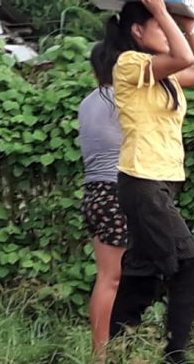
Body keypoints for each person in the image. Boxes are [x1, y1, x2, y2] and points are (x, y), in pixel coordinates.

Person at [105, 0, 194, 364]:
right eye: (157, 25)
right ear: (138, 31)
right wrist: (164, 12)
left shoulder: (162, 75)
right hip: (142, 181)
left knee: (144, 273)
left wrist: (189, 24)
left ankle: (117, 347)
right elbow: (184, 58)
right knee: (190, 270)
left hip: (159, 184)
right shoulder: (129, 64)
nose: (166, 32)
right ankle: (175, 356)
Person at [78, 42, 128, 362]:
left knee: (106, 277)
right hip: (115, 191)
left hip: (94, 193)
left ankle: (106, 349)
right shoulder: (122, 99)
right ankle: (101, 355)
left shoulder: (87, 102)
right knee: (111, 279)